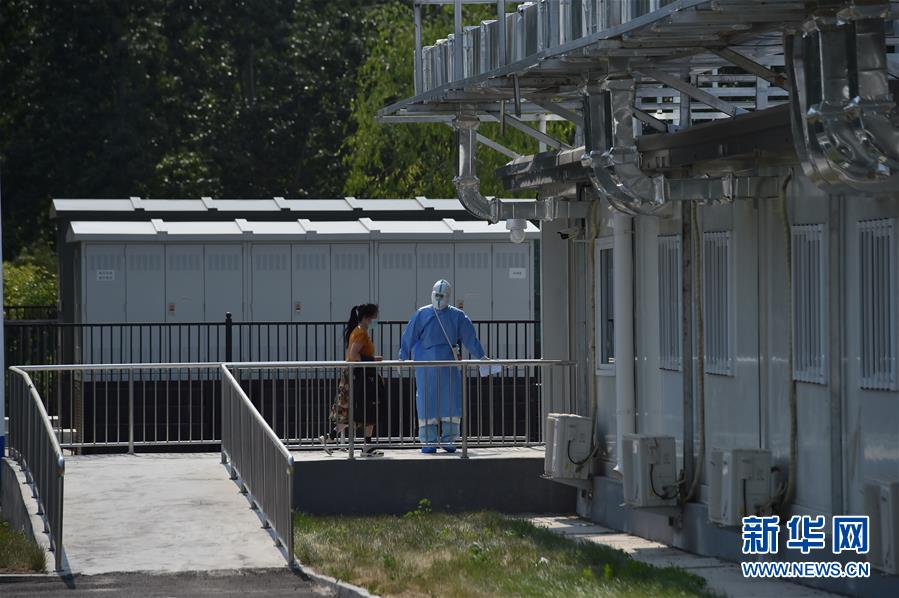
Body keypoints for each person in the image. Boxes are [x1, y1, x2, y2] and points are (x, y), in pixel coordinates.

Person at [399, 280, 487, 453]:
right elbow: (409, 336)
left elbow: (470, 337)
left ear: (448, 297)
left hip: (444, 365)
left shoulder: (456, 316)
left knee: (449, 402)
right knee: (428, 402)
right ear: (432, 294)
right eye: (437, 295)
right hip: (429, 367)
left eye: (442, 296)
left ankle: (448, 439)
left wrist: (481, 356)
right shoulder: (423, 314)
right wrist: (402, 356)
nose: (439, 299)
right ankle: (429, 441)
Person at [320, 303, 384, 457]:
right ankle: (366, 446)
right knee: (369, 408)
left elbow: (354, 355)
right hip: (360, 377)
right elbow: (353, 355)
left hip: (357, 375)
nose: (376, 320)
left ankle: (330, 437)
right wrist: (372, 360)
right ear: (367, 317)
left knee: (352, 411)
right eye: (374, 317)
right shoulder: (361, 333)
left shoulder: (358, 331)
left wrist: (371, 360)